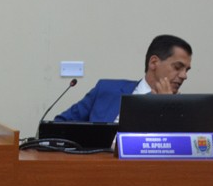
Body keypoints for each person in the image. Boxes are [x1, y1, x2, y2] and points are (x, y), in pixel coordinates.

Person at [55, 34, 193, 122]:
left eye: (186, 70)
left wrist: (166, 108)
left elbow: (178, 149)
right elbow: (60, 124)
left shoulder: (181, 109)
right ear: (154, 63)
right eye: (177, 67)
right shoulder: (106, 89)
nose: (184, 76)